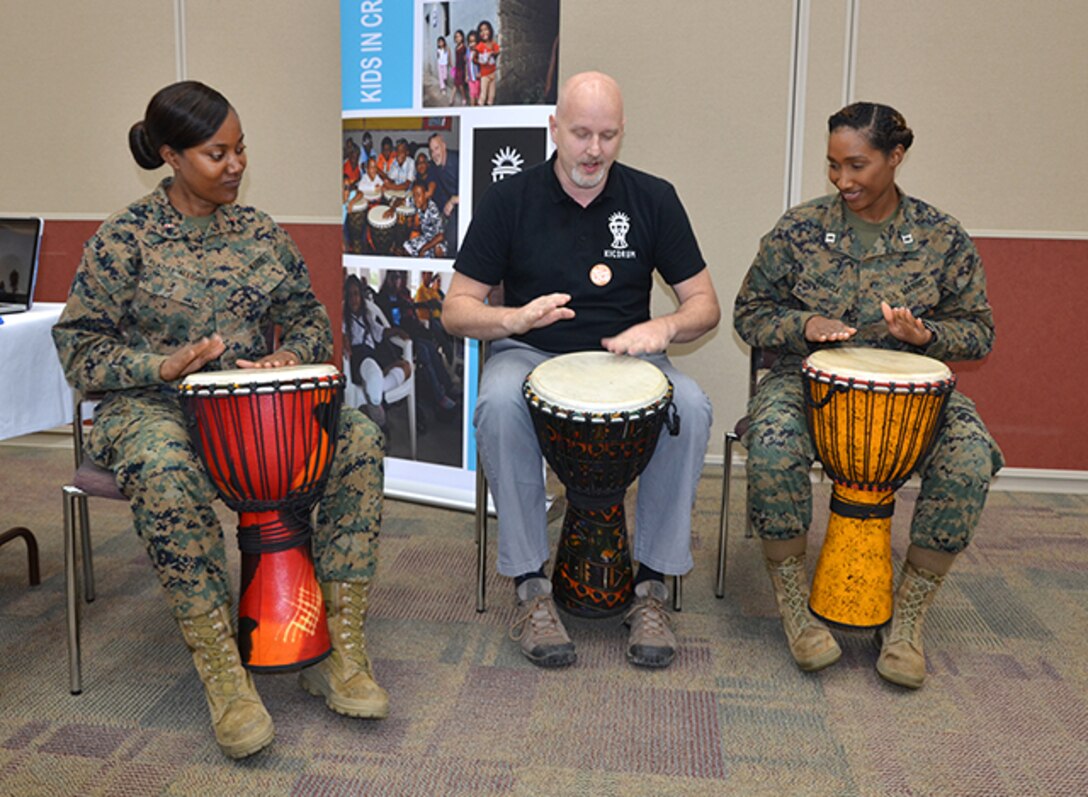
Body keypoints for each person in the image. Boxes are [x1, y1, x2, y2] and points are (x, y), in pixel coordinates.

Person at [51, 81, 389, 760]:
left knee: (357, 436)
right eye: (217, 153)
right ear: (172, 156)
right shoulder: (125, 239)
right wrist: (162, 364)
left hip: (250, 412)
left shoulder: (258, 232)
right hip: (151, 410)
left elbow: (308, 318)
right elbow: (79, 347)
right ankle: (224, 675)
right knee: (164, 467)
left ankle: (337, 646)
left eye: (241, 150)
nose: (235, 164)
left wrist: (288, 352)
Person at [442, 71, 719, 670]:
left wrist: (664, 328)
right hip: (530, 353)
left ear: (623, 134)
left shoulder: (653, 198)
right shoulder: (510, 200)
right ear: (554, 129)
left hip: (630, 358)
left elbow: (705, 305)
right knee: (497, 401)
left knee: (691, 405)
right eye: (581, 134)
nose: (594, 150)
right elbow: (456, 309)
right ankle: (529, 587)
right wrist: (514, 319)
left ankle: (651, 586)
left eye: (608, 135)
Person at [733, 101, 1004, 688]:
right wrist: (803, 326)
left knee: (969, 457)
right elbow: (750, 313)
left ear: (896, 157)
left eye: (857, 165)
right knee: (774, 448)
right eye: (833, 166)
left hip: (914, 392)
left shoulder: (940, 236)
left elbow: (979, 332)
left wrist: (926, 334)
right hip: (808, 382)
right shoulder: (800, 229)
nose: (843, 180)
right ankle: (795, 609)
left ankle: (906, 620)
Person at [377, 270, 457, 412]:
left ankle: (447, 387)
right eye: (394, 277)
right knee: (424, 351)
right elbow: (383, 329)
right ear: (388, 279)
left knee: (432, 348)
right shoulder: (382, 298)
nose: (397, 281)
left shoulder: (401, 296)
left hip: (409, 335)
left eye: (400, 278)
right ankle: (439, 397)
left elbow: (409, 313)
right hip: (394, 343)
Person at [343, 274, 412, 426]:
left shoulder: (367, 316)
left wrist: (397, 331)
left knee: (406, 367)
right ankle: (379, 415)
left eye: (356, 294)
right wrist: (344, 340)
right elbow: (342, 337)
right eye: (349, 295)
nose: (353, 299)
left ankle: (376, 395)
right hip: (359, 360)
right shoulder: (344, 319)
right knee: (371, 367)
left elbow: (380, 332)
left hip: (373, 357)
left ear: (361, 296)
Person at [427, 132, 459, 255]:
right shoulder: (436, 166)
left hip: (469, 205)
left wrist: (453, 200)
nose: (434, 154)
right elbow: (431, 183)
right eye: (431, 151)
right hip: (453, 209)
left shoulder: (458, 161)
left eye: (437, 148)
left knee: (453, 239)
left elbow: (473, 188)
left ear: (444, 146)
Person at [402, 179, 446, 259]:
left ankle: (434, 268)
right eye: (414, 195)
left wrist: (423, 249)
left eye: (418, 195)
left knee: (438, 250)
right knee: (406, 247)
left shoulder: (433, 210)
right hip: (426, 238)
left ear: (426, 194)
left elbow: (441, 236)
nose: (415, 199)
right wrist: (391, 209)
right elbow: (401, 201)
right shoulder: (417, 202)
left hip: (436, 241)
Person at [475, 20, 500, 106]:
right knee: (483, 96)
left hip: (493, 73)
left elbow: (498, 51)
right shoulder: (480, 45)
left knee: (491, 96)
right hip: (484, 75)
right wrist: (481, 61)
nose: (484, 32)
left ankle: (489, 114)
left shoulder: (493, 43)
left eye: (486, 29)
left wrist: (492, 53)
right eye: (481, 31)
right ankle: (479, 114)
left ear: (490, 31)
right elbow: (474, 58)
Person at [451, 29, 468, 106]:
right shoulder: (456, 47)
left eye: (459, 36)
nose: (457, 38)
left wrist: (466, 72)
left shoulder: (464, 48)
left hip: (462, 69)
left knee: (460, 85)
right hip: (457, 68)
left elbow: (465, 60)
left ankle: (464, 98)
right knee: (455, 85)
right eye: (456, 37)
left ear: (462, 37)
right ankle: (451, 99)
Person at [465, 30, 481, 106]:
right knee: (472, 95)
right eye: (470, 42)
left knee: (478, 96)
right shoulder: (468, 51)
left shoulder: (479, 51)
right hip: (471, 79)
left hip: (478, 78)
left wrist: (480, 73)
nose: (472, 44)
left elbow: (482, 64)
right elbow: (467, 64)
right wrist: (466, 75)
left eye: (474, 41)